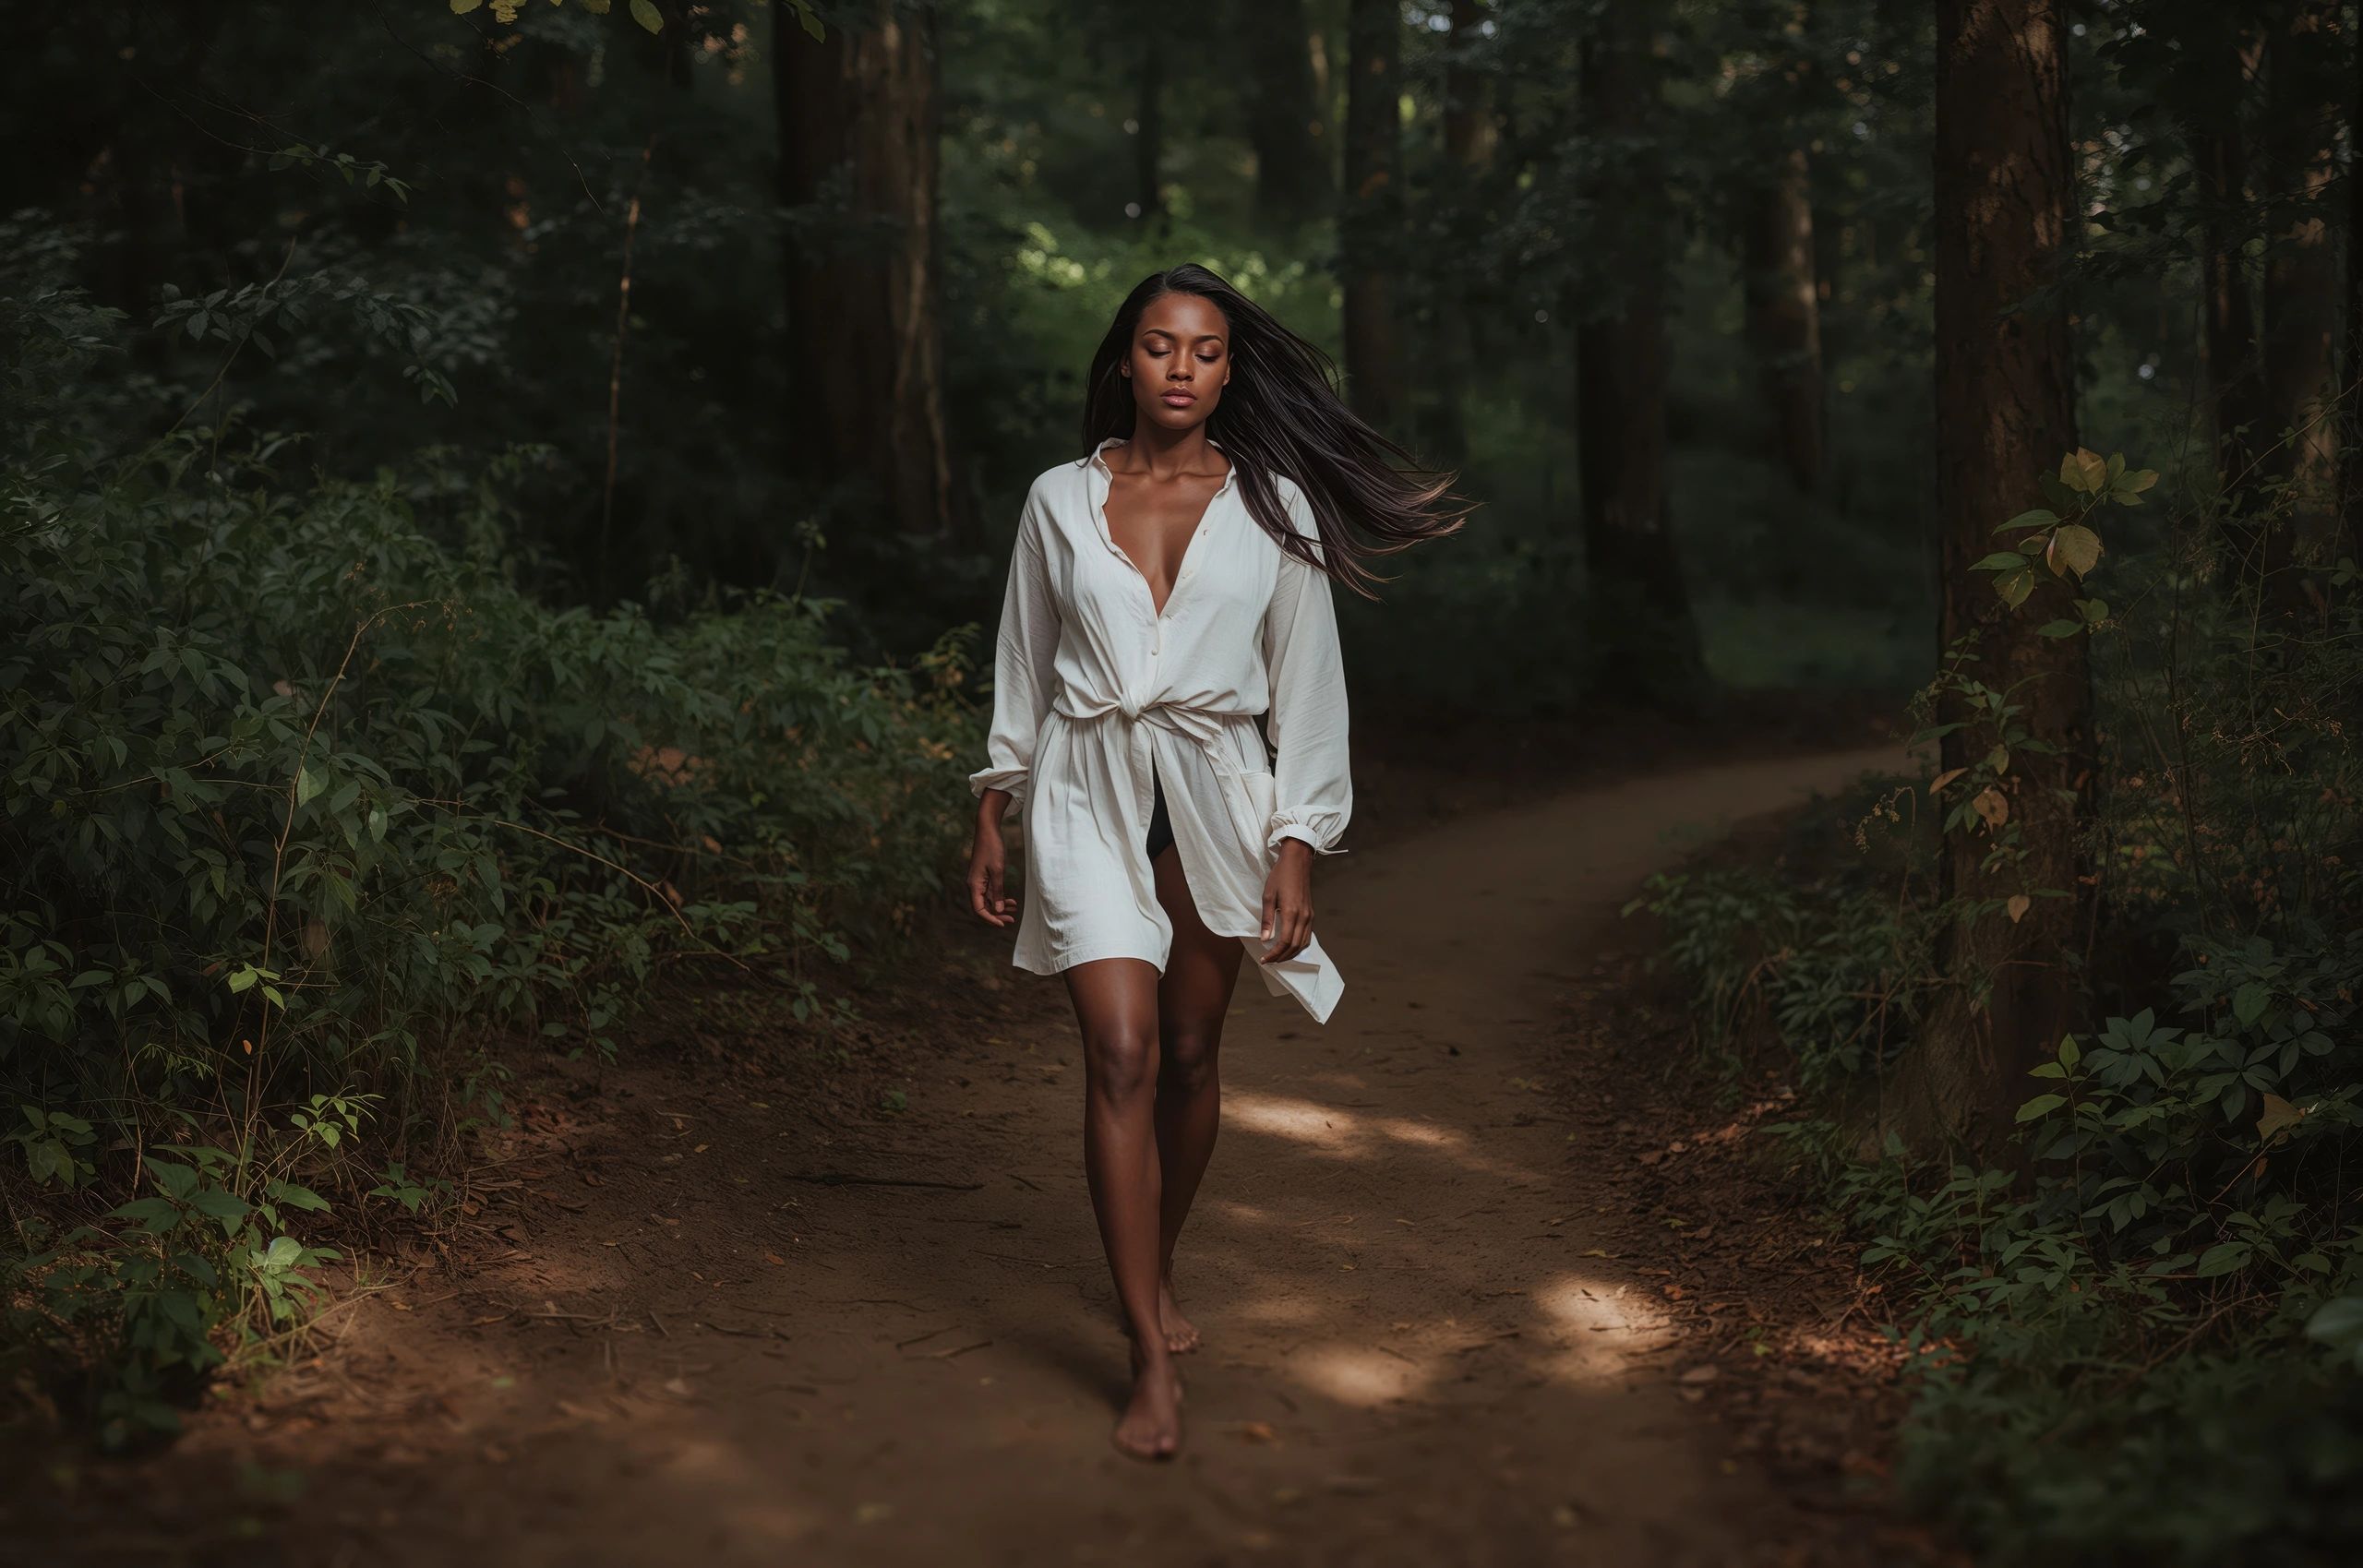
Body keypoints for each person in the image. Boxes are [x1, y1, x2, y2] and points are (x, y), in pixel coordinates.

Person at [963, 263, 1471, 1460]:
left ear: (1229, 369)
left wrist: (1300, 846)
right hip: (1088, 787)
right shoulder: (1057, 501)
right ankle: (1145, 1350)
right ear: (1124, 362)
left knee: (1191, 1052)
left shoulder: (1275, 507)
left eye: (1203, 350)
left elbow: (1310, 692)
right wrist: (995, 800)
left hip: (1216, 794)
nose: (1180, 368)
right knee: (1124, 1050)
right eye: (1158, 346)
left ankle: (1157, 1253)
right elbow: (1025, 663)